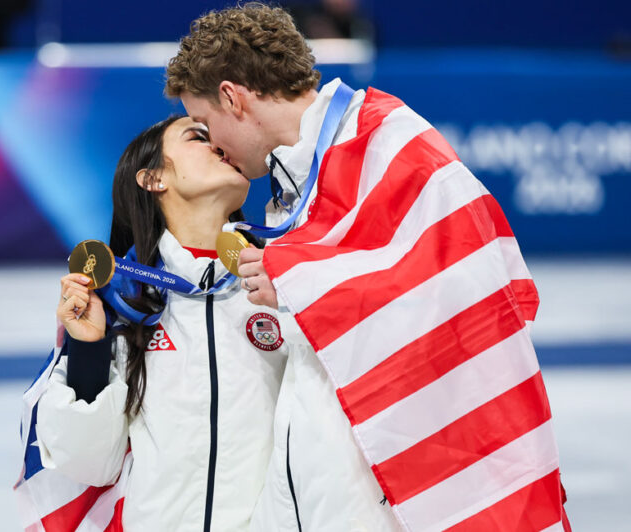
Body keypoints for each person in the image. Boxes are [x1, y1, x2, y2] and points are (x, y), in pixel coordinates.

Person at [165, 4, 570, 532]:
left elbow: (477, 275)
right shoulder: (288, 190)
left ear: (232, 97)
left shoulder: (386, 134)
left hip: (394, 484)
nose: (213, 145)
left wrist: (301, 275)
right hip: (318, 489)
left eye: (206, 124)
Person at [20, 115, 295, 531]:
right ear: (152, 179)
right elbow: (87, 463)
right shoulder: (122, 300)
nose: (220, 143)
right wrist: (90, 348)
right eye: (199, 136)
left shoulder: (285, 284)